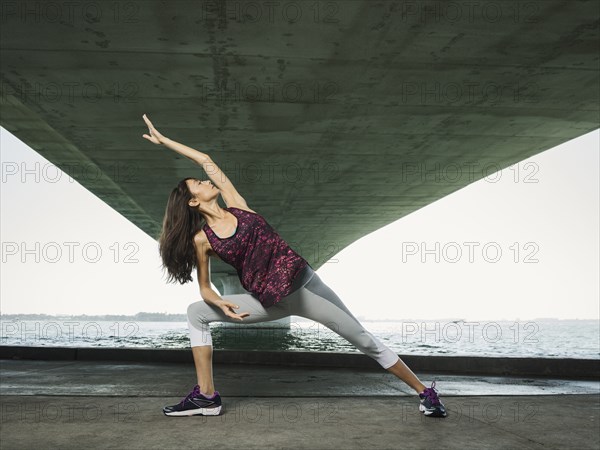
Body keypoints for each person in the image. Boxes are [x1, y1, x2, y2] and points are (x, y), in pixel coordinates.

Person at [142, 114, 448, 418]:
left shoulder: (237, 205)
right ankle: (207, 397)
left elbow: (206, 159)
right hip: (268, 301)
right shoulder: (202, 240)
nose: (206, 180)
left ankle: (425, 393)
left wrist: (165, 140)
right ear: (193, 201)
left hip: (305, 286)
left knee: (363, 339)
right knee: (196, 312)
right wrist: (221, 302)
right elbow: (205, 287)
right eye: (198, 183)